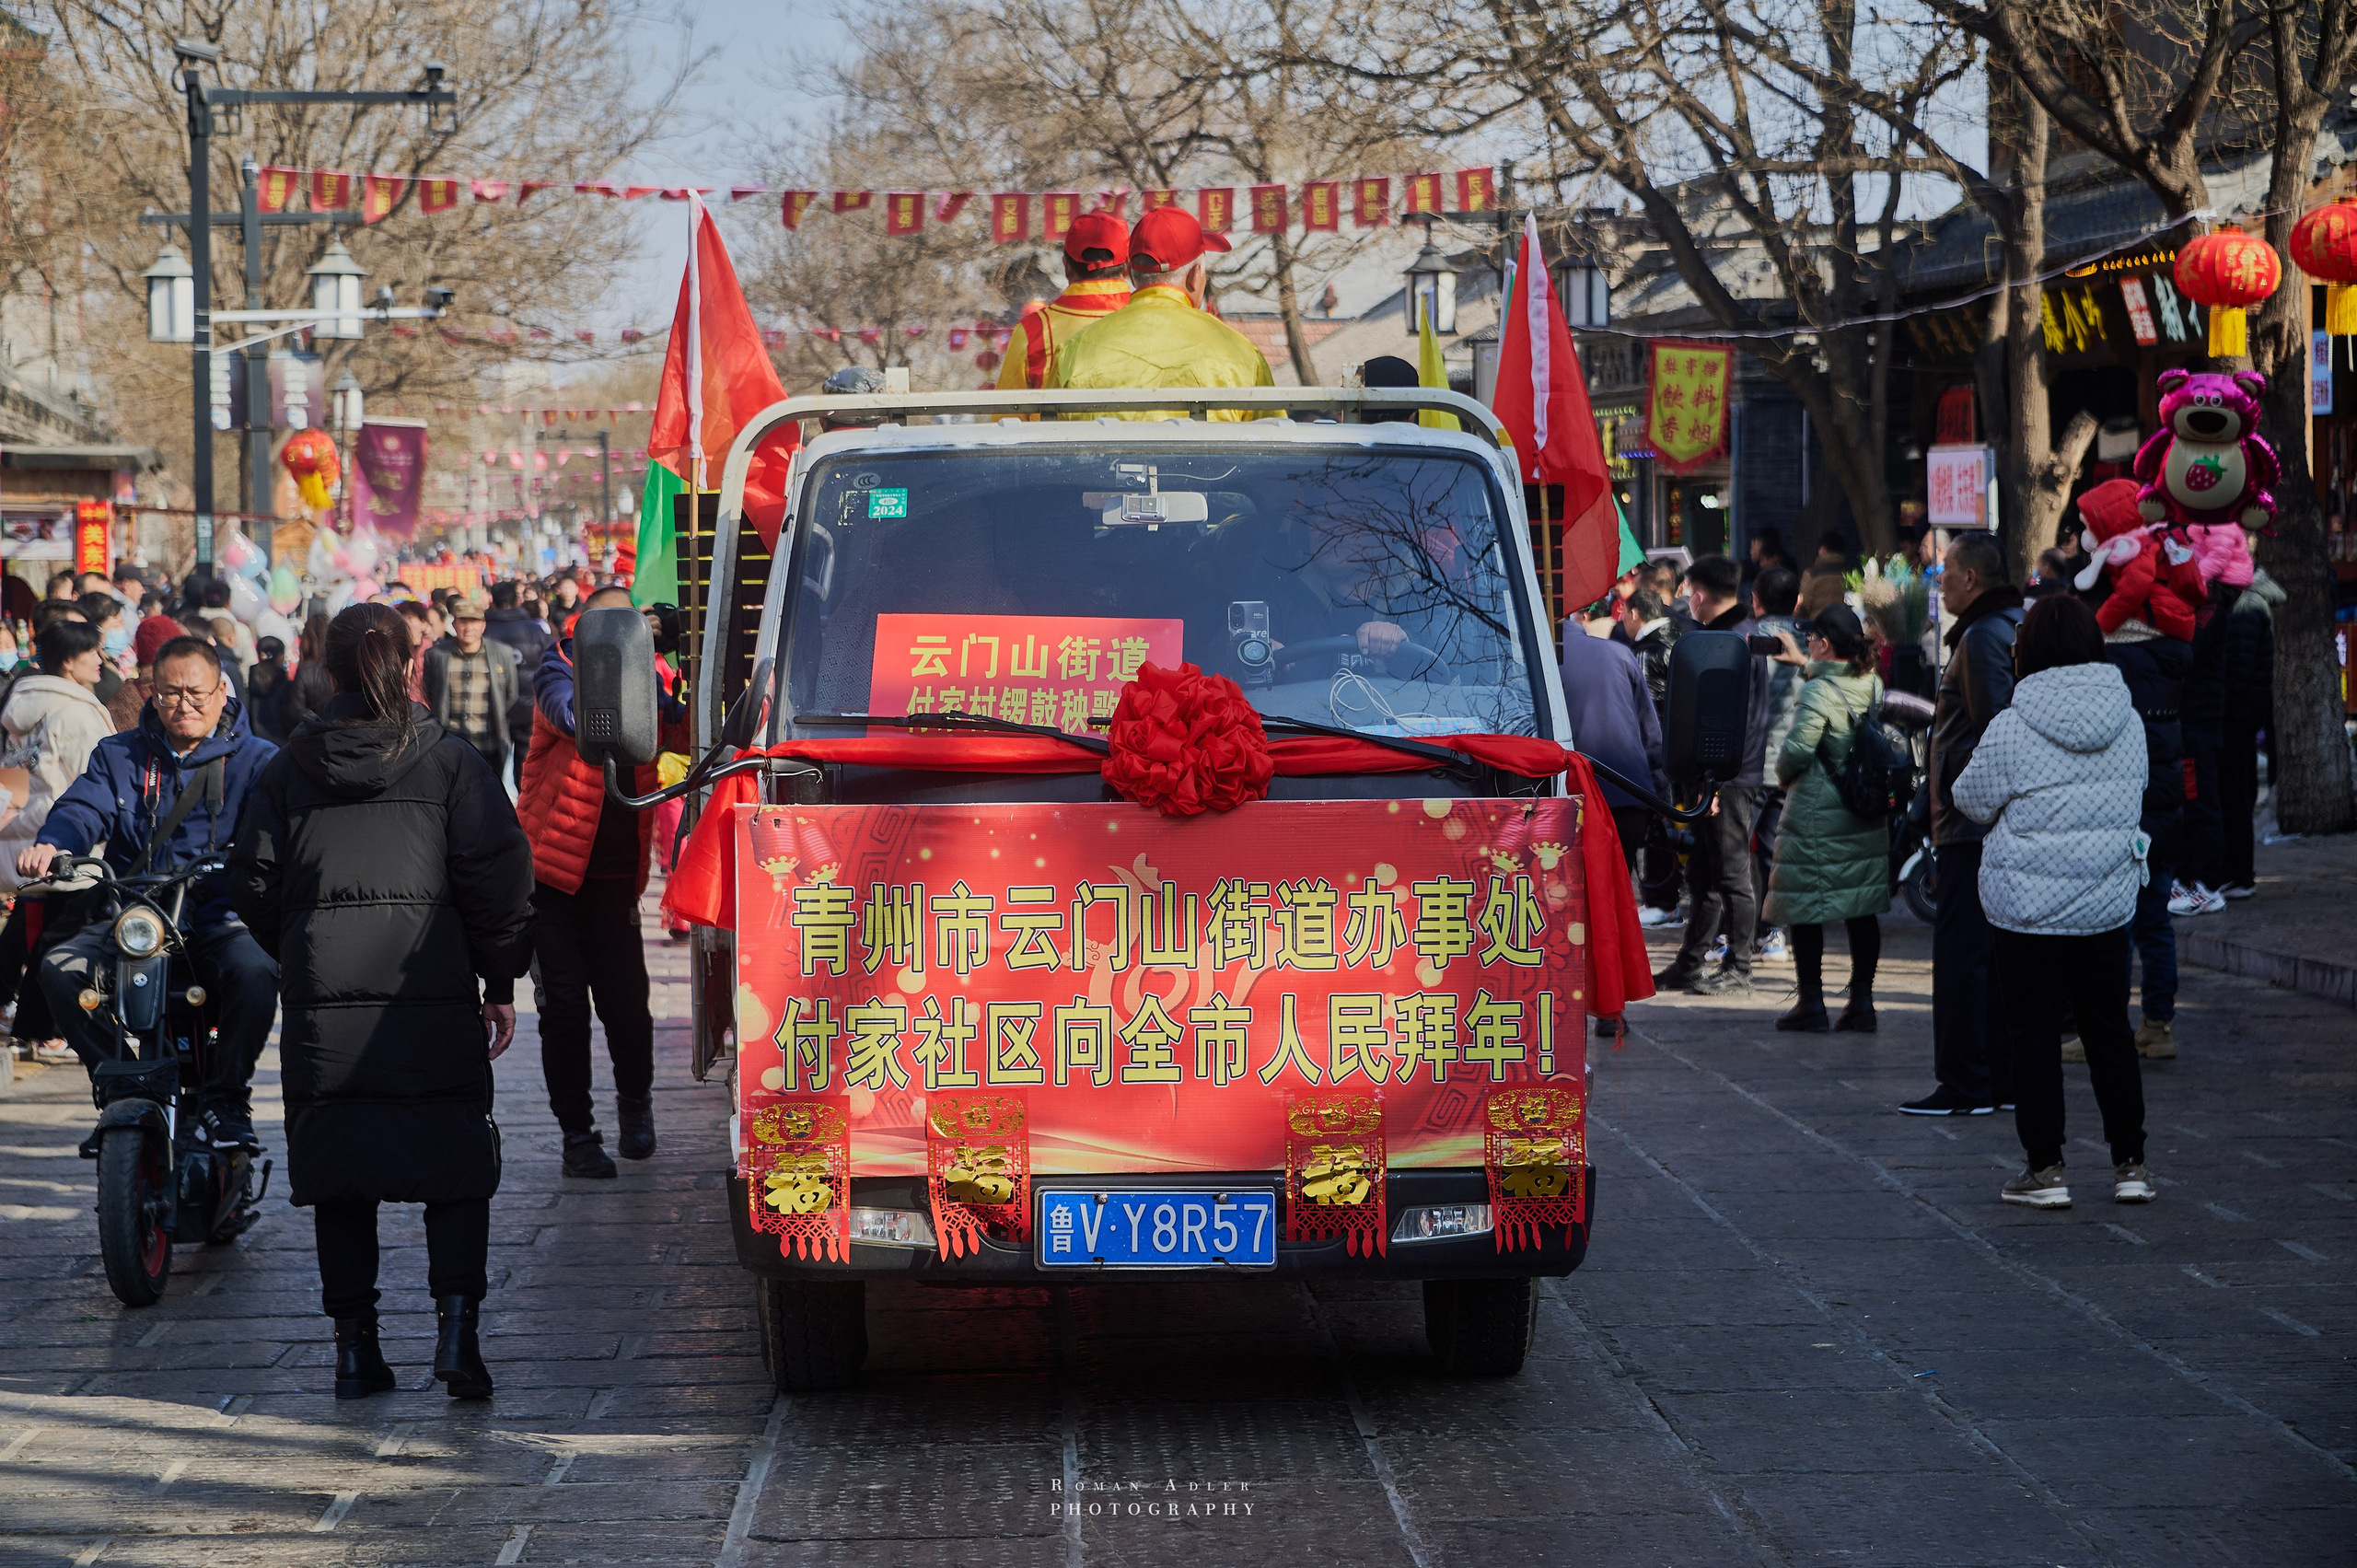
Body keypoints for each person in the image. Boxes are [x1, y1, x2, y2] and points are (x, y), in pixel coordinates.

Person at [228, 602, 533, 1401]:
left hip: (325, 1004)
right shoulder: (450, 762)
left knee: (343, 1171)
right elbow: (498, 880)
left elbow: (252, 883)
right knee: (456, 1164)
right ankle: (457, 1331)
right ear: (410, 666)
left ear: (326, 670)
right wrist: (498, 980)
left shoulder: (287, 769)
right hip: (428, 997)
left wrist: (304, 949)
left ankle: (355, 1350)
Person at [22, 636, 279, 1152]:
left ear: (221, 690)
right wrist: (54, 843)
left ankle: (227, 1096)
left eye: (195, 694)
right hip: (134, 915)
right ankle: (122, 1083)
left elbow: (275, 837)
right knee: (59, 968)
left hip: (218, 916)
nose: (181, 706)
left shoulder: (260, 760)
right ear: (151, 693)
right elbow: (83, 808)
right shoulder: (119, 753)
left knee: (257, 969)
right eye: (168, 694)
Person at [1952, 595, 2154, 1208]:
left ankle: (2046, 1171)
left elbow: (1970, 798)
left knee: (2033, 1034)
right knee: (2110, 1030)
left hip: (2027, 907)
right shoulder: (2130, 718)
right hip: (2106, 901)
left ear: (2028, 650)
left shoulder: (2013, 724)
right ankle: (2131, 1166)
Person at [518, 586, 684, 1177]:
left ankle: (635, 1109)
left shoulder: (652, 672)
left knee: (627, 1009)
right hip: (553, 882)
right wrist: (635, 674)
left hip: (616, 883)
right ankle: (577, 1137)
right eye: (609, 625)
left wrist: (677, 673)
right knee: (563, 1011)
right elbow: (579, 720)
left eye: (631, 623)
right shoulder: (556, 671)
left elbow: (679, 737)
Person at [1909, 529, 2020, 1117]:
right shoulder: (2004, 628)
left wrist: (1960, 794)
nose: (1940, 581)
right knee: (1990, 958)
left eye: (1944, 572)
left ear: (1971, 578)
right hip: (1984, 823)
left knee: (1962, 956)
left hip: (1970, 825)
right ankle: (1995, 1081)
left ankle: (1964, 1083)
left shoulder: (1981, 637)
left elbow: (1996, 730)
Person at [2082, 487, 2196, 1063]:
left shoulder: (2112, 653)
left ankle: (2103, 1030)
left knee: (2111, 923)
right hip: (2166, 793)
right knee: (2153, 916)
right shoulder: (2173, 649)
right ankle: (2161, 1026)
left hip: (2120, 801)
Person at [1761, 604, 1889, 1031]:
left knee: (1805, 906)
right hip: (1864, 807)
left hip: (1819, 810)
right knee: (1861, 906)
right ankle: (1862, 1003)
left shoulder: (1818, 691)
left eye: (1812, 637)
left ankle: (1812, 1003)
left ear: (1825, 644)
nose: (1808, 643)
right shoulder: (1871, 681)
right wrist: (1805, 666)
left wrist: (1781, 775)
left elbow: (1797, 750)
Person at [1655, 554, 1771, 995]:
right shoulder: (1741, 636)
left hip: (1729, 778)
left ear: (1699, 595)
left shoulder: (1729, 644)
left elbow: (1730, 722)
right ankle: (1689, 963)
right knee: (1704, 873)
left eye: (1688, 592)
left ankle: (1739, 966)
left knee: (1731, 873)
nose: (1686, 600)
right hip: (1724, 774)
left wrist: (1714, 781)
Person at [0, 621, 115, 1060]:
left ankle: (32, 1024)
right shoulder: (76, 712)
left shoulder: (23, 706)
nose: (101, 660)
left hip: (27, 836)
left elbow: (14, 775)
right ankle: (42, 1025)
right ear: (70, 661)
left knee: (41, 936)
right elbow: (97, 782)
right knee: (65, 940)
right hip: (68, 842)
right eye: (93, 652)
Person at [1050, 206, 1273, 415]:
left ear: (1132, 274)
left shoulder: (1074, 350)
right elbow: (1271, 441)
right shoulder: (1239, 352)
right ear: (1195, 276)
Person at [1560, 604, 1667, 1028]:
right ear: (1582, 619)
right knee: (1611, 900)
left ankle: (1558, 1006)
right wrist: (1659, 794)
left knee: (1558, 905)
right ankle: (1610, 1008)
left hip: (1560, 798)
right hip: (1625, 795)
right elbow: (1650, 733)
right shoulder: (1618, 654)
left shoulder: (1529, 659)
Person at [999, 212, 1134, 391]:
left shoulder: (1033, 331)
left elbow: (1009, 412)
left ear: (1067, 267)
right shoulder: (1155, 320)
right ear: (1126, 267)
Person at [1748, 567, 1805, 962]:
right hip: (1793, 766)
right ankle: (1774, 934)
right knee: (1775, 852)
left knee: (1734, 852)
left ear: (1755, 601)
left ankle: (1732, 935)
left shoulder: (1748, 641)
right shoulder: (1813, 643)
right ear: (1798, 601)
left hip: (1751, 766)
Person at [422, 595, 521, 770]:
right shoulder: (436, 655)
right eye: (463, 621)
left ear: (483, 626)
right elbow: (430, 692)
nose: (468, 627)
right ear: (454, 625)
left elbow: (510, 694)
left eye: (474, 622)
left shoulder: (502, 653)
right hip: (451, 742)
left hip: (489, 743)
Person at [483, 581, 553, 787]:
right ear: (517, 600)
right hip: (529, 707)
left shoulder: (483, 631)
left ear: (493, 602)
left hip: (492, 709)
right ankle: (523, 809)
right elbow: (550, 666)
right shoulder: (537, 630)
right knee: (526, 768)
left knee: (491, 768)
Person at [289, 612, 337, 729]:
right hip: (340, 730)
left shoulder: (305, 671)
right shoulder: (340, 664)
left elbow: (296, 713)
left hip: (313, 734)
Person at [245, 636, 295, 744]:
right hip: (281, 742)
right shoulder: (285, 683)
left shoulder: (251, 679)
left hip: (256, 741)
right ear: (280, 656)